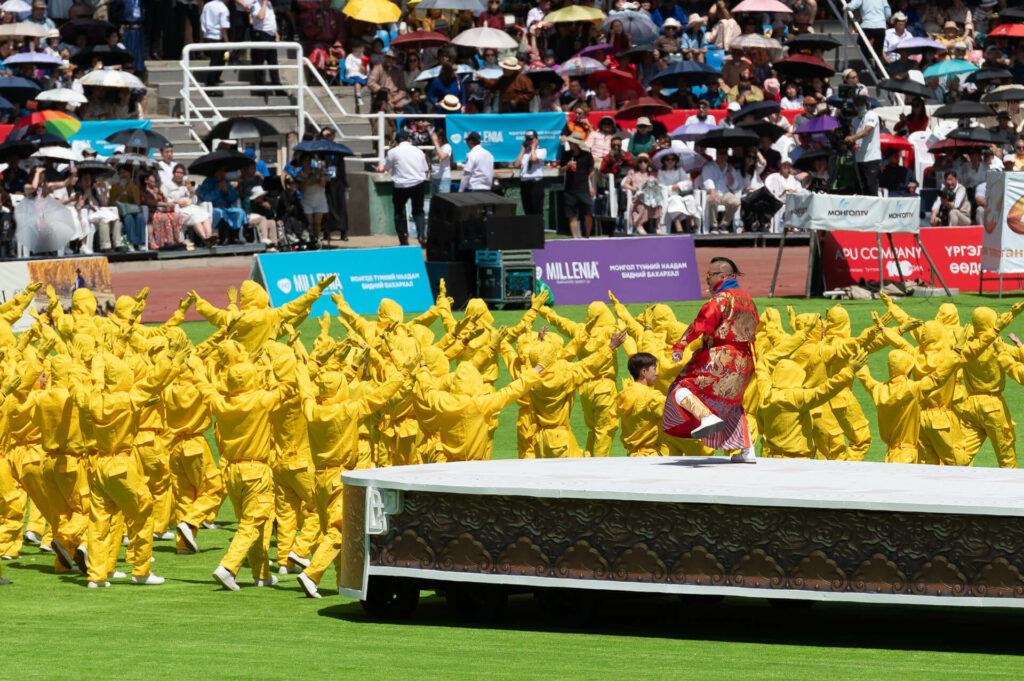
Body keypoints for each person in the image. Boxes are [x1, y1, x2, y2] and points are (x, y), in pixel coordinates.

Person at [663, 257, 759, 463]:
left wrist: (680, 345)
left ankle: (706, 416)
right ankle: (747, 451)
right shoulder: (748, 299)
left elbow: (702, 323)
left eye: (709, 275)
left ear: (722, 276)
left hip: (720, 358)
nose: (706, 280)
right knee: (733, 402)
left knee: (679, 387)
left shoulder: (721, 299)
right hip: (745, 361)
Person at [384, 130, 428, 246]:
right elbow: (425, 168)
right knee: (418, 211)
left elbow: (386, 166)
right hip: (418, 183)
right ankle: (421, 235)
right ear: (408, 140)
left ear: (397, 141)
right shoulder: (418, 151)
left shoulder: (393, 152)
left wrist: (389, 150)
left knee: (399, 212)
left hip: (401, 185)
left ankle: (403, 240)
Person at [559, 131, 594, 239]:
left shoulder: (587, 155)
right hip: (570, 189)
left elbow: (592, 172)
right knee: (571, 215)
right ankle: (575, 238)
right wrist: (567, 166)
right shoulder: (566, 154)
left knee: (588, 213)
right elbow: (560, 170)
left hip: (583, 188)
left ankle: (587, 235)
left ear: (576, 144)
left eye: (571, 142)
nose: (569, 143)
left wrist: (592, 187)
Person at [197, 167, 245, 244]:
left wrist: (227, 191)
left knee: (239, 212)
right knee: (220, 213)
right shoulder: (208, 182)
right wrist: (218, 190)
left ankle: (234, 236)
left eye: (224, 171)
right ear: (216, 172)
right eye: (221, 171)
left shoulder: (226, 182)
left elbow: (234, 197)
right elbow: (205, 197)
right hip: (213, 208)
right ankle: (223, 237)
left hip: (226, 207)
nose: (224, 173)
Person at [845, 95, 881, 197]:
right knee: (860, 187)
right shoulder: (855, 120)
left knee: (870, 186)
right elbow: (852, 134)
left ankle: (873, 210)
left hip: (871, 158)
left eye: (861, 105)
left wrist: (852, 138)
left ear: (866, 105)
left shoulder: (872, 115)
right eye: (857, 105)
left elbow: (866, 131)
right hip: (859, 158)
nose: (859, 107)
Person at [700, 152, 739, 233]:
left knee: (735, 202)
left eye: (724, 154)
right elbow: (707, 179)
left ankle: (724, 224)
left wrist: (730, 173)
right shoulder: (709, 166)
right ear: (717, 155)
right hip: (712, 192)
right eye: (721, 154)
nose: (723, 157)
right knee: (712, 199)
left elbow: (734, 186)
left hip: (724, 193)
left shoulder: (730, 168)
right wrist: (712, 190)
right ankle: (714, 225)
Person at [294, 153, 327, 246]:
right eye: (306, 160)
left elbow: (323, 184)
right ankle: (309, 239)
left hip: (319, 199)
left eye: (310, 159)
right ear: (302, 162)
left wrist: (321, 174)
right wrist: (309, 178)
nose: (308, 162)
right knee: (310, 221)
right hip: (307, 200)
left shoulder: (317, 171)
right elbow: (302, 188)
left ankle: (317, 239)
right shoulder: (299, 174)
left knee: (317, 222)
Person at [199, 0, 230, 94]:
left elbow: (202, 21)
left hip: (208, 37)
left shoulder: (207, 5)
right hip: (218, 38)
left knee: (220, 59)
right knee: (220, 59)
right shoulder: (223, 9)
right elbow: (223, 29)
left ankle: (216, 77)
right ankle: (211, 83)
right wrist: (228, 44)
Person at [515, 129, 546, 217]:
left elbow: (534, 159)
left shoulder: (541, 151)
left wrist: (533, 148)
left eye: (531, 139)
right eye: (527, 139)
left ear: (536, 140)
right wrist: (523, 150)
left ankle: (538, 230)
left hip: (535, 183)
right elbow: (516, 164)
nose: (529, 142)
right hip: (524, 183)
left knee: (536, 210)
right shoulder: (525, 153)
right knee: (527, 210)